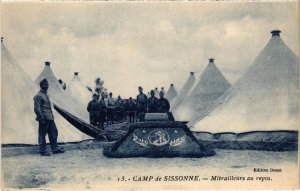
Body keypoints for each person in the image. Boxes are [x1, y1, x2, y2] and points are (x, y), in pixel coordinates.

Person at [33, 79, 65, 156]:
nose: (47, 86)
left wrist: (51, 116)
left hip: (50, 118)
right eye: (45, 85)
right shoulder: (38, 95)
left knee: (54, 132)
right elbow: (37, 109)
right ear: (41, 85)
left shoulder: (47, 95)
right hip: (44, 118)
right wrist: (41, 118)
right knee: (42, 134)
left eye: (47, 85)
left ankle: (55, 149)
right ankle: (42, 151)